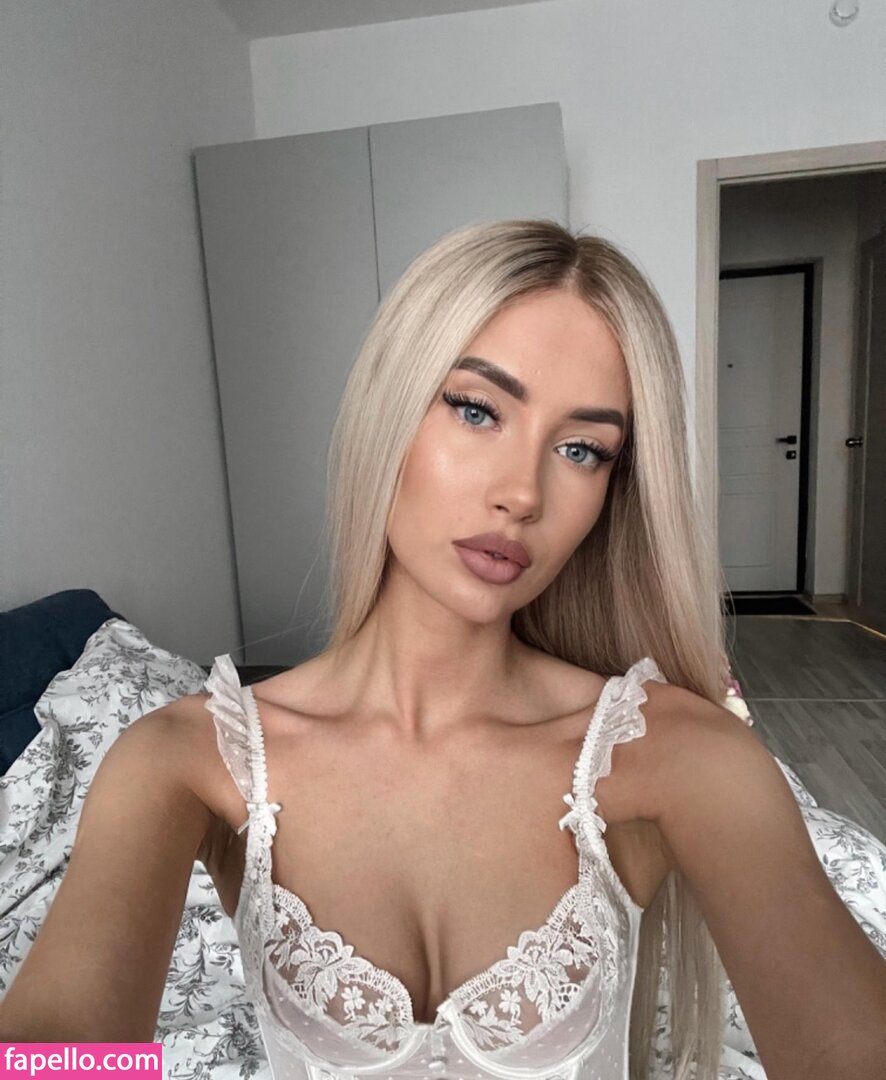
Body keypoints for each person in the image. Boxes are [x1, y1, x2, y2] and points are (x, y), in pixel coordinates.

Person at [1, 220, 883, 1079]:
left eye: (582, 449)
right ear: (390, 412)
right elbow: (58, 1042)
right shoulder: (182, 762)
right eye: (476, 409)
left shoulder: (684, 758)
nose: (522, 494)